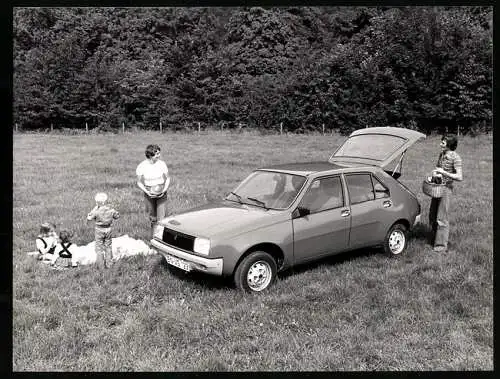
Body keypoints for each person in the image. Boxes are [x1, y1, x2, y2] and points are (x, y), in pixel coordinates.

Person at [428, 134, 463, 252]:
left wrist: (444, 172)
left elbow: (459, 177)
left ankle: (440, 247)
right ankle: (434, 238)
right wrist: (434, 174)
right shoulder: (442, 155)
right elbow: (438, 168)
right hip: (437, 187)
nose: (440, 144)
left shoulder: (456, 158)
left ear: (449, 144)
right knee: (432, 215)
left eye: (443, 143)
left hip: (446, 189)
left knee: (442, 218)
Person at [136, 144, 171, 234]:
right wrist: (147, 191)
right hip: (149, 192)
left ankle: (162, 239)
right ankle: (154, 238)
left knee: (162, 219)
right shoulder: (142, 166)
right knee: (153, 218)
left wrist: (164, 189)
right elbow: (139, 182)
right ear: (151, 155)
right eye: (157, 154)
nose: (159, 155)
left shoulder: (162, 164)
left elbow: (167, 178)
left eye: (159, 153)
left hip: (162, 192)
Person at [87, 192, 120, 269]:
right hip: (108, 229)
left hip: (99, 230)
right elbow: (117, 216)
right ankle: (109, 264)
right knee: (108, 246)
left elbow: (89, 218)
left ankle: (101, 265)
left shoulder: (96, 211)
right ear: (106, 201)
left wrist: (93, 210)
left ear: (97, 202)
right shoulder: (111, 210)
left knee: (99, 248)